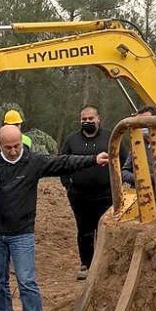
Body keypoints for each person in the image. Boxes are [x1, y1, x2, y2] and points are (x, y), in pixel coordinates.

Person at [0, 124, 109, 311]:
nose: (14, 151)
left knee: (26, 282)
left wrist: (94, 159)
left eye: (17, 146)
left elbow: (64, 162)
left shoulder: (32, 162)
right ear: (0, 145)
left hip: (22, 233)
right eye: (8, 147)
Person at [59, 105, 125, 280]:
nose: (87, 122)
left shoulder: (111, 137)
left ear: (98, 119)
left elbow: (123, 160)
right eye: (84, 119)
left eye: (90, 119)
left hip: (106, 194)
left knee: (104, 230)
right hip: (80, 195)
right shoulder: (71, 140)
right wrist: (68, 185)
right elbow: (62, 163)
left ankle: (104, 265)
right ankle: (86, 264)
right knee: (84, 230)